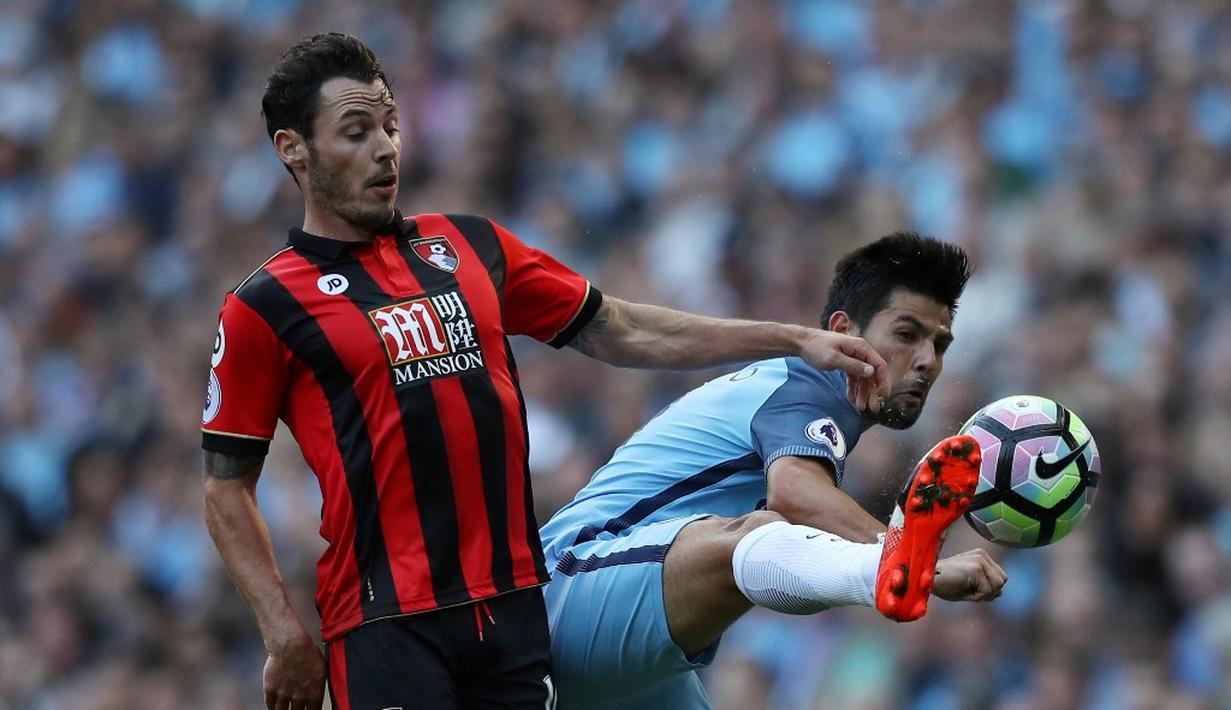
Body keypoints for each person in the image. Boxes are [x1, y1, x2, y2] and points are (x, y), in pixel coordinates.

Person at [199, 33, 891, 710]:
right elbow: (226, 492)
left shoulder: (466, 244)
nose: (385, 147)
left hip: (512, 614)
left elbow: (618, 326)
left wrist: (791, 340)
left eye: (390, 124)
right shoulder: (264, 306)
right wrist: (282, 630)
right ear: (293, 148)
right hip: (387, 624)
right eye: (356, 131)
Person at [539, 233, 1010, 709]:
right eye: (907, 335)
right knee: (757, 533)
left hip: (634, 645)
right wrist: (915, 563)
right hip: (566, 590)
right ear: (844, 331)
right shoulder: (807, 384)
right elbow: (796, 497)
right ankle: (884, 567)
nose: (928, 361)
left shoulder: (806, 403)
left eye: (940, 344)